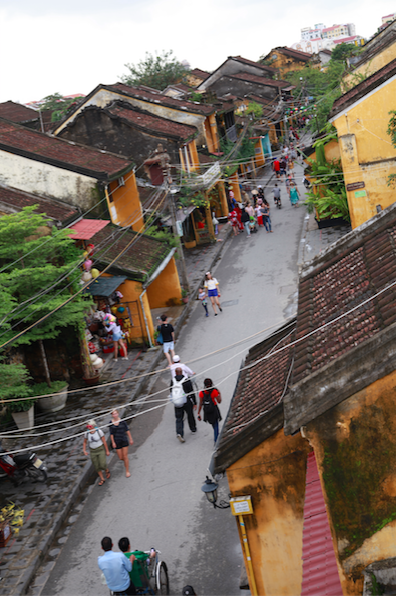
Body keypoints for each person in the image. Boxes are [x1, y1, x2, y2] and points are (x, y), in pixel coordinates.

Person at [170, 367, 197, 442]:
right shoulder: (186, 380)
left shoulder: (173, 381)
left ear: (175, 373)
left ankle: (179, 433)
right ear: (182, 372)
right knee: (190, 415)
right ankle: (193, 428)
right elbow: (191, 392)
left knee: (179, 418)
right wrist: (195, 403)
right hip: (186, 401)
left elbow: (170, 390)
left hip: (177, 402)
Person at [83, 419, 110, 486]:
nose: (89, 428)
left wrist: (107, 450)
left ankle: (106, 470)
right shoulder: (87, 433)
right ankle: (102, 478)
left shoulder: (99, 431)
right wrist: (84, 450)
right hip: (93, 451)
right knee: (96, 466)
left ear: (93, 426)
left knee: (102, 464)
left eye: (90, 426)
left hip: (100, 449)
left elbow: (104, 441)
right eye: (87, 426)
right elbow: (85, 442)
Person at [110, 409, 133, 478]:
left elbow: (127, 430)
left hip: (124, 440)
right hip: (117, 441)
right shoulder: (111, 423)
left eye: (116, 413)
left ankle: (127, 470)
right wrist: (113, 442)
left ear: (118, 414)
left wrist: (130, 439)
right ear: (112, 415)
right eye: (113, 414)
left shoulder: (123, 421)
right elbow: (111, 434)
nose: (115, 415)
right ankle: (126, 462)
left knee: (125, 456)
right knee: (120, 457)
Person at [197, 378, 222, 443]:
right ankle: (216, 440)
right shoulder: (214, 391)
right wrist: (219, 394)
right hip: (214, 410)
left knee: (213, 424)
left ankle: (216, 435)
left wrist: (198, 413)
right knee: (216, 424)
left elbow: (200, 403)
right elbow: (219, 401)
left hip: (207, 411)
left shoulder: (201, 393)